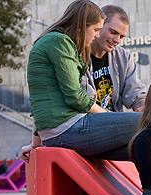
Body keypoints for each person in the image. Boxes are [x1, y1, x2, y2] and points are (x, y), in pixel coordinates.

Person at [20, 0, 141, 162]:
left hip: (61, 131)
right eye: (96, 30)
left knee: (143, 148)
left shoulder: (55, 42)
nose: (97, 35)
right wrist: (108, 116)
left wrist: (36, 144)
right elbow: (75, 96)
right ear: (81, 26)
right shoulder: (60, 42)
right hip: (69, 128)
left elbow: (38, 101)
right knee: (146, 120)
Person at [81, 5, 147, 112]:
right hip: (87, 120)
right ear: (99, 25)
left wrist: (142, 106)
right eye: (113, 32)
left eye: (121, 37)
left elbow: (135, 92)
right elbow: (82, 99)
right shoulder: (78, 55)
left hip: (114, 119)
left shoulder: (123, 56)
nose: (117, 40)